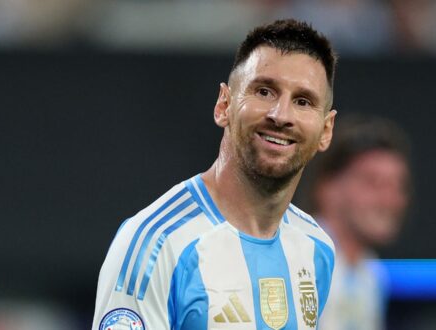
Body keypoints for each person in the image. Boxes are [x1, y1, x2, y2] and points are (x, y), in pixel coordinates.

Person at [92, 19, 338, 330]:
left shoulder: (317, 247)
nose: (281, 115)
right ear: (224, 105)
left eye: (303, 101)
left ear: (326, 130)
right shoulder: (155, 244)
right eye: (264, 91)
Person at [308, 114, 411, 330]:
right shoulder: (297, 261)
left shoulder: (372, 276)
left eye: (398, 186)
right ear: (328, 189)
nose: (390, 200)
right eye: (372, 183)